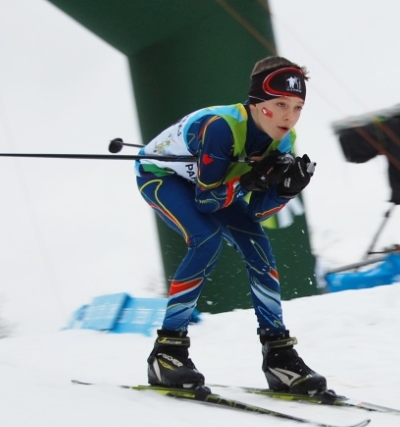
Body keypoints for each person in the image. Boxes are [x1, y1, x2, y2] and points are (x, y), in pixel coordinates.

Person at [135, 56, 327, 395]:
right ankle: (167, 352)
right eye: (280, 104)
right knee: (206, 239)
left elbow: (256, 213)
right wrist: (252, 179)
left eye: (297, 107)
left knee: (259, 249)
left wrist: (285, 189)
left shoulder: (283, 138)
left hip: (217, 186)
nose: (289, 115)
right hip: (162, 176)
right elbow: (206, 204)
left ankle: (279, 355)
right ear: (256, 103)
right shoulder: (221, 128)